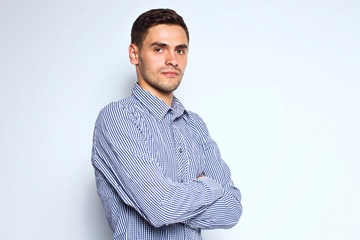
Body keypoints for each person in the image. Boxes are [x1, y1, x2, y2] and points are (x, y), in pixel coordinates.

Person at [91, 8, 242, 240]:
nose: (172, 60)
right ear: (134, 54)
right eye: (159, 49)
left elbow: (232, 210)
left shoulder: (195, 125)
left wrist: (173, 202)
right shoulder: (117, 118)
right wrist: (208, 187)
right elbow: (161, 207)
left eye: (180, 50)